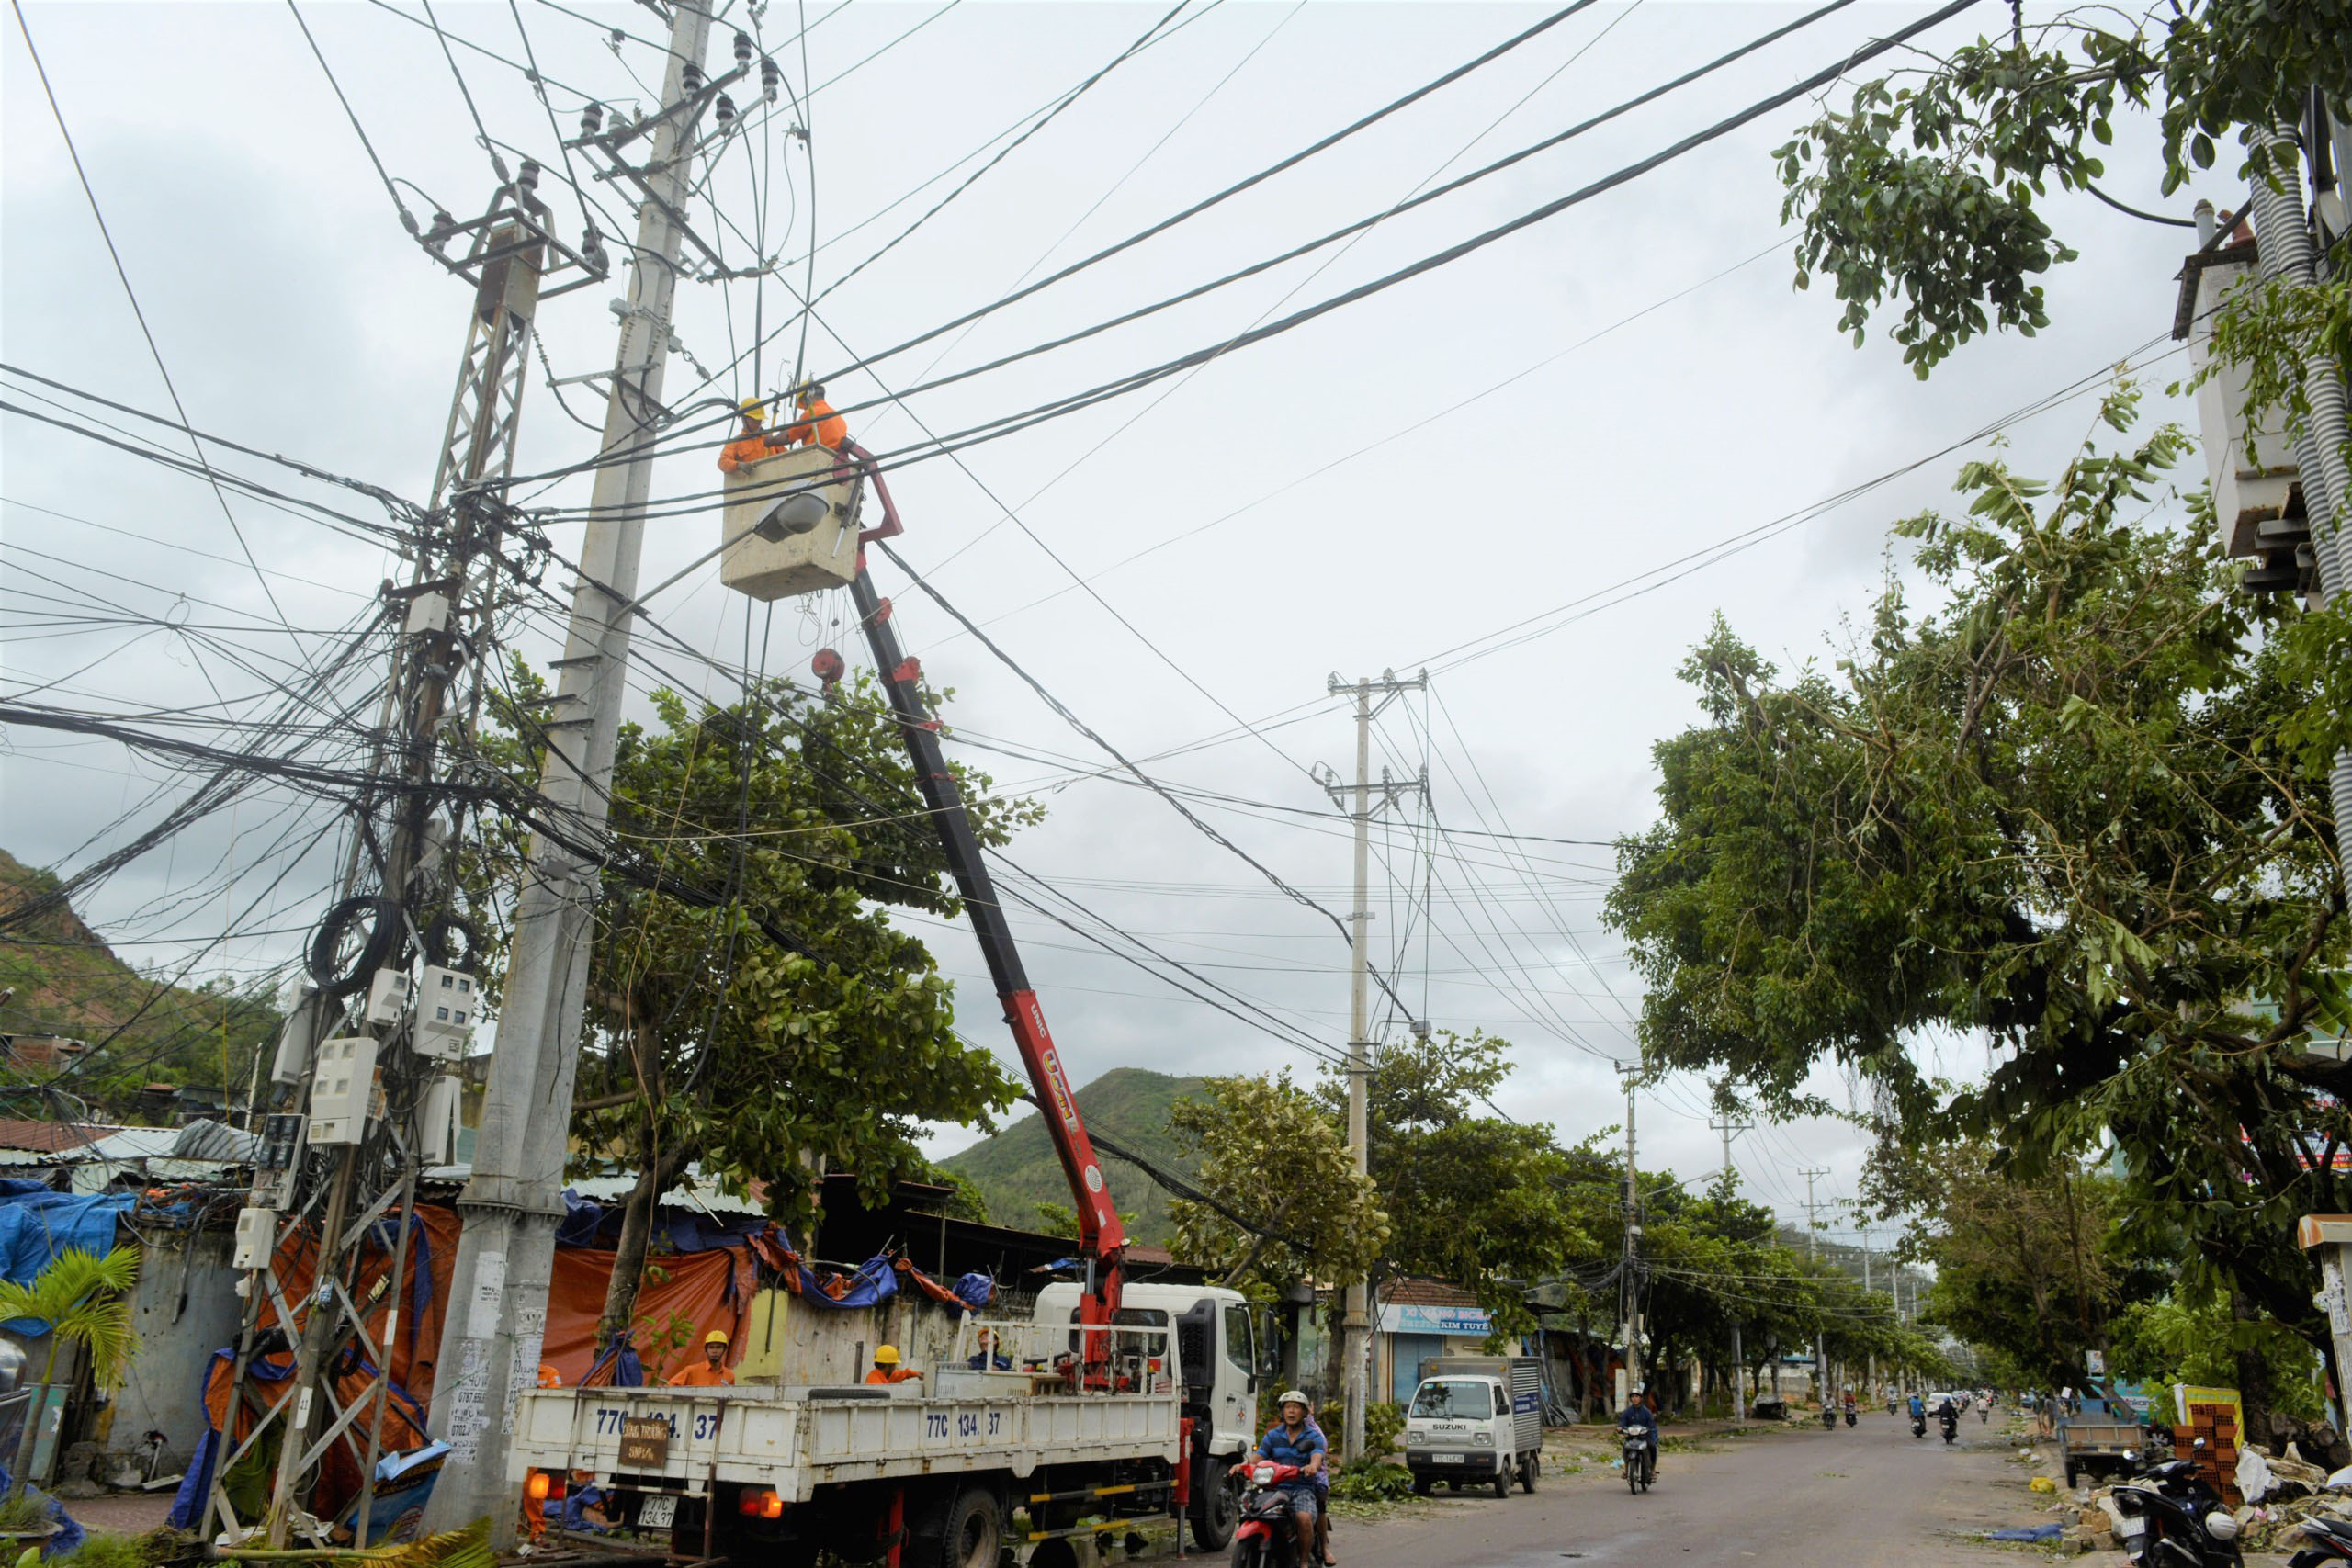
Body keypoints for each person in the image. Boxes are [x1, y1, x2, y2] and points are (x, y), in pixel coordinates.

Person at [1255, 1391, 1327, 1566]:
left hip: (1301, 1488)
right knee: (1254, 1512)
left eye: (1296, 1408)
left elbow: (1317, 1455)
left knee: (1303, 1518)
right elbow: (1259, 1456)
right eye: (1288, 1407)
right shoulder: (1273, 1436)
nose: (1292, 1411)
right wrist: (1242, 1465)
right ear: (1282, 1411)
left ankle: (1303, 1562)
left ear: (1304, 1413)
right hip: (1275, 1489)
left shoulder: (1313, 1436)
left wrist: (1312, 1466)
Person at [718, 397, 778, 472]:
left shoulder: (768, 438)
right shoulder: (735, 442)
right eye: (755, 420)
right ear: (744, 418)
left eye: (760, 420)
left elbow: (787, 455)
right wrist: (738, 465)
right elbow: (722, 462)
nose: (758, 423)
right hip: (754, 482)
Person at [784, 383, 848, 450]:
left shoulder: (812, 412)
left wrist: (772, 440)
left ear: (809, 396)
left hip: (817, 456)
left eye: (803, 402)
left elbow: (788, 436)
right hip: (835, 457)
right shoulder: (838, 417)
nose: (805, 407)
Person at [668, 1329, 735, 1387]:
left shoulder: (729, 1375)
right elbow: (669, 1388)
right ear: (706, 1349)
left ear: (725, 1349)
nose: (714, 1351)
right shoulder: (691, 1371)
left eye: (718, 1347)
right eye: (711, 1347)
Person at [1620, 1382, 1659, 1476]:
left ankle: (1652, 1468)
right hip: (1631, 1437)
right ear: (1630, 1399)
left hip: (1645, 1437)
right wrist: (1620, 1427)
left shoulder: (1647, 1412)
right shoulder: (1627, 1412)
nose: (1635, 1398)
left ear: (1641, 1398)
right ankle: (1626, 1469)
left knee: (1652, 1447)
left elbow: (1652, 1426)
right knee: (1625, 1448)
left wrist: (1652, 1434)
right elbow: (1622, 1422)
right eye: (1633, 1396)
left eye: (1637, 1396)